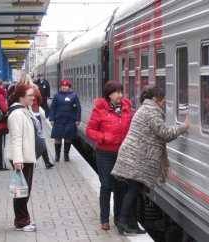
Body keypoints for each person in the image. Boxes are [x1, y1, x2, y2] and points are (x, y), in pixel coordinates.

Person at [111, 86, 189, 235]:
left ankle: (132, 224)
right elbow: (164, 133)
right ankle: (122, 222)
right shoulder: (151, 112)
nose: (165, 100)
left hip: (135, 155)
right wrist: (183, 127)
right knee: (133, 190)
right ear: (155, 99)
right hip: (137, 157)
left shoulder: (146, 109)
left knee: (133, 190)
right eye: (163, 97)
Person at [86, 81, 133, 231]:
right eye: (117, 92)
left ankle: (118, 217)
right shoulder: (99, 111)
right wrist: (103, 138)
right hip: (105, 153)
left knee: (120, 186)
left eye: (121, 92)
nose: (120, 95)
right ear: (108, 94)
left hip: (122, 153)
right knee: (106, 185)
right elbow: (90, 130)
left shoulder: (126, 110)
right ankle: (104, 219)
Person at [5, 84, 44, 232]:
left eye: (33, 95)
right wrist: (17, 160)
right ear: (21, 97)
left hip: (26, 155)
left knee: (24, 190)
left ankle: (22, 219)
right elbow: (16, 138)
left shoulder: (24, 110)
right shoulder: (17, 114)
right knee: (21, 191)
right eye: (30, 95)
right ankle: (22, 222)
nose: (33, 98)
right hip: (21, 157)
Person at [49, 80, 81, 162]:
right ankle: (57, 156)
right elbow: (53, 108)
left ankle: (66, 155)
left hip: (70, 120)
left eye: (66, 86)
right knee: (58, 137)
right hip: (58, 119)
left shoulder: (74, 96)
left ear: (69, 87)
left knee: (68, 137)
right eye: (62, 86)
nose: (64, 87)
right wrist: (52, 119)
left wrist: (77, 119)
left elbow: (77, 108)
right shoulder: (57, 96)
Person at [32, 83, 54, 169]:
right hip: (35, 114)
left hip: (26, 115)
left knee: (30, 139)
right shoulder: (35, 90)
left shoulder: (19, 91)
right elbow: (40, 101)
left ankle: (32, 161)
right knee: (40, 138)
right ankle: (47, 162)